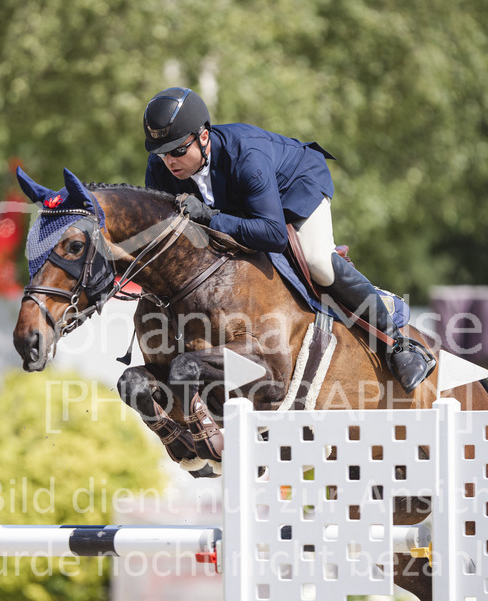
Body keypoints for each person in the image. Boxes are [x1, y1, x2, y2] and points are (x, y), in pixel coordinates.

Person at [141, 87, 434, 393]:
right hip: (242, 204)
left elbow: (273, 234)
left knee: (317, 262)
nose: (169, 161)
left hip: (295, 188)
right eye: (161, 153)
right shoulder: (160, 170)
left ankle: (399, 345)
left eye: (177, 150)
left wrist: (211, 217)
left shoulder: (246, 156)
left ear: (203, 136)